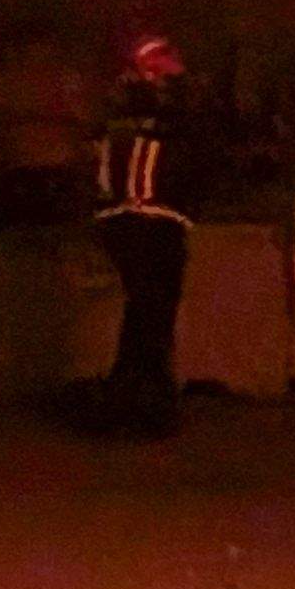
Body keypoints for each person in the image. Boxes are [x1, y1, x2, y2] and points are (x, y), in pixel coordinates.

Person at [85, 33, 194, 435]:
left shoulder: (119, 115)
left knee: (145, 312)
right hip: (152, 220)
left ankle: (134, 396)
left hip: (126, 220)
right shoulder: (161, 116)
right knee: (151, 313)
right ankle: (141, 401)